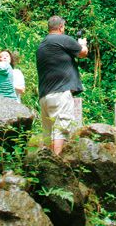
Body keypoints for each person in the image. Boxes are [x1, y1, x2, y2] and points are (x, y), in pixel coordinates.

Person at [36, 15, 87, 155]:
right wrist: (83, 43)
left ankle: (47, 165)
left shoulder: (42, 44)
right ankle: (57, 163)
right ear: (61, 27)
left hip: (44, 96)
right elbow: (82, 53)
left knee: (48, 133)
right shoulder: (62, 39)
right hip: (60, 94)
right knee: (60, 131)